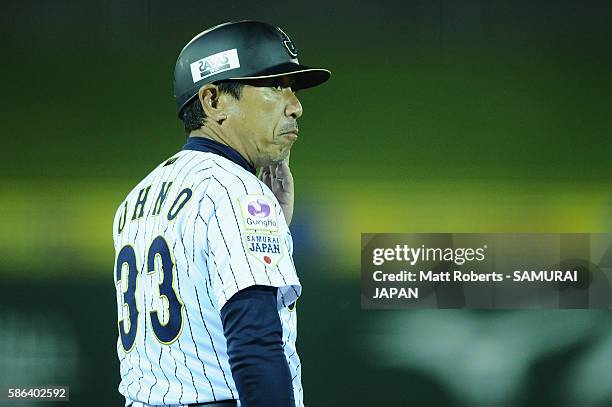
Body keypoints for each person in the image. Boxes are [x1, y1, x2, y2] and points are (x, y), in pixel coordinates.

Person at [112, 20, 330, 407]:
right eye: (274, 85)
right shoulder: (237, 192)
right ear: (214, 101)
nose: (295, 106)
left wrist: (274, 223)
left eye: (292, 88)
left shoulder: (136, 199)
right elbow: (255, 346)